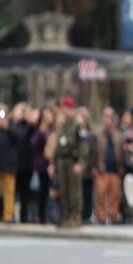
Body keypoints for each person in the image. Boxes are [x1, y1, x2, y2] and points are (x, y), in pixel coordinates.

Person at [53, 96, 87, 228]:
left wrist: (80, 162)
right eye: (64, 108)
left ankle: (75, 217)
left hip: (73, 160)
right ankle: (65, 216)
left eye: (68, 108)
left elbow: (83, 146)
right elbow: (57, 145)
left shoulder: (78, 125)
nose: (65, 111)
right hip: (62, 161)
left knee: (74, 192)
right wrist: (54, 163)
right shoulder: (61, 125)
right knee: (64, 190)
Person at [94, 107, 125, 225]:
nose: (107, 120)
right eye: (105, 117)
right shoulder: (97, 134)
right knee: (100, 194)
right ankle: (101, 217)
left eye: (109, 118)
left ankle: (113, 216)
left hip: (115, 169)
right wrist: (95, 167)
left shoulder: (119, 135)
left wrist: (121, 166)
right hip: (102, 169)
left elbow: (122, 152)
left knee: (115, 195)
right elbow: (93, 152)